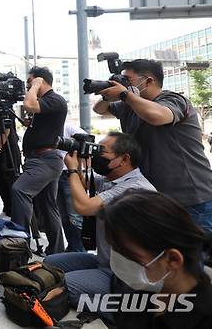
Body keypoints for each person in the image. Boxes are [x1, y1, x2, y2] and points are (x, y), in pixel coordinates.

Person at [43, 132, 156, 320]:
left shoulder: (135, 188)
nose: (97, 156)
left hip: (124, 278)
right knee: (50, 264)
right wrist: (79, 160)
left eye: (102, 152)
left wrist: (71, 170)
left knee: (63, 286)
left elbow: (84, 206)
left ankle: (126, 314)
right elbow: (82, 183)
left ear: (124, 159)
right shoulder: (113, 179)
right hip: (104, 262)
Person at [94, 59, 212, 232]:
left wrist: (125, 94)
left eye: (127, 80)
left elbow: (157, 116)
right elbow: (100, 109)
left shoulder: (173, 99)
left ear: (148, 81)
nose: (124, 85)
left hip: (194, 198)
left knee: (202, 257)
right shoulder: (130, 105)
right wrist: (107, 93)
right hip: (158, 199)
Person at [103, 190, 212, 328]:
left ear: (173, 259)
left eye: (129, 256)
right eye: (116, 250)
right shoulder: (130, 290)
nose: (119, 262)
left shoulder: (205, 319)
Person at [10, 66, 67, 255]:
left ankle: (18, 243)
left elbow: (29, 105)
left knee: (20, 190)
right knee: (48, 206)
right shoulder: (47, 102)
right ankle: (57, 251)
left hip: (45, 159)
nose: (27, 87)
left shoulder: (55, 99)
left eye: (30, 82)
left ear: (40, 81)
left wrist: (34, 86)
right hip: (43, 158)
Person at [0, 105, 21, 219]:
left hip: (9, 149)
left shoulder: (8, 109)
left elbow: (6, 130)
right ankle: (6, 210)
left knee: (11, 181)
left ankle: (14, 213)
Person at [57, 122, 88, 252]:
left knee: (74, 215)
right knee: (63, 215)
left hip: (69, 173)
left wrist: (80, 168)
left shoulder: (66, 126)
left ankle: (80, 250)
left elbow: (86, 140)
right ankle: (72, 246)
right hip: (55, 174)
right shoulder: (43, 127)